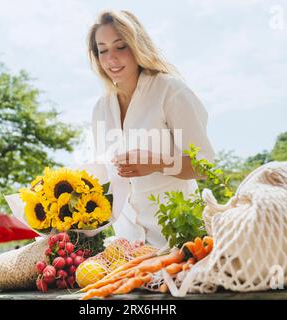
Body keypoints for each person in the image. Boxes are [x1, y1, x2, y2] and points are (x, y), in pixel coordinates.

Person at [85, 10, 215, 248]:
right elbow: (102, 178)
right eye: (102, 50)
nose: (111, 58)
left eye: (120, 46)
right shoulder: (100, 109)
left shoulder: (170, 91)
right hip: (128, 249)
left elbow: (204, 165)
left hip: (181, 242)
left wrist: (157, 163)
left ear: (136, 45)